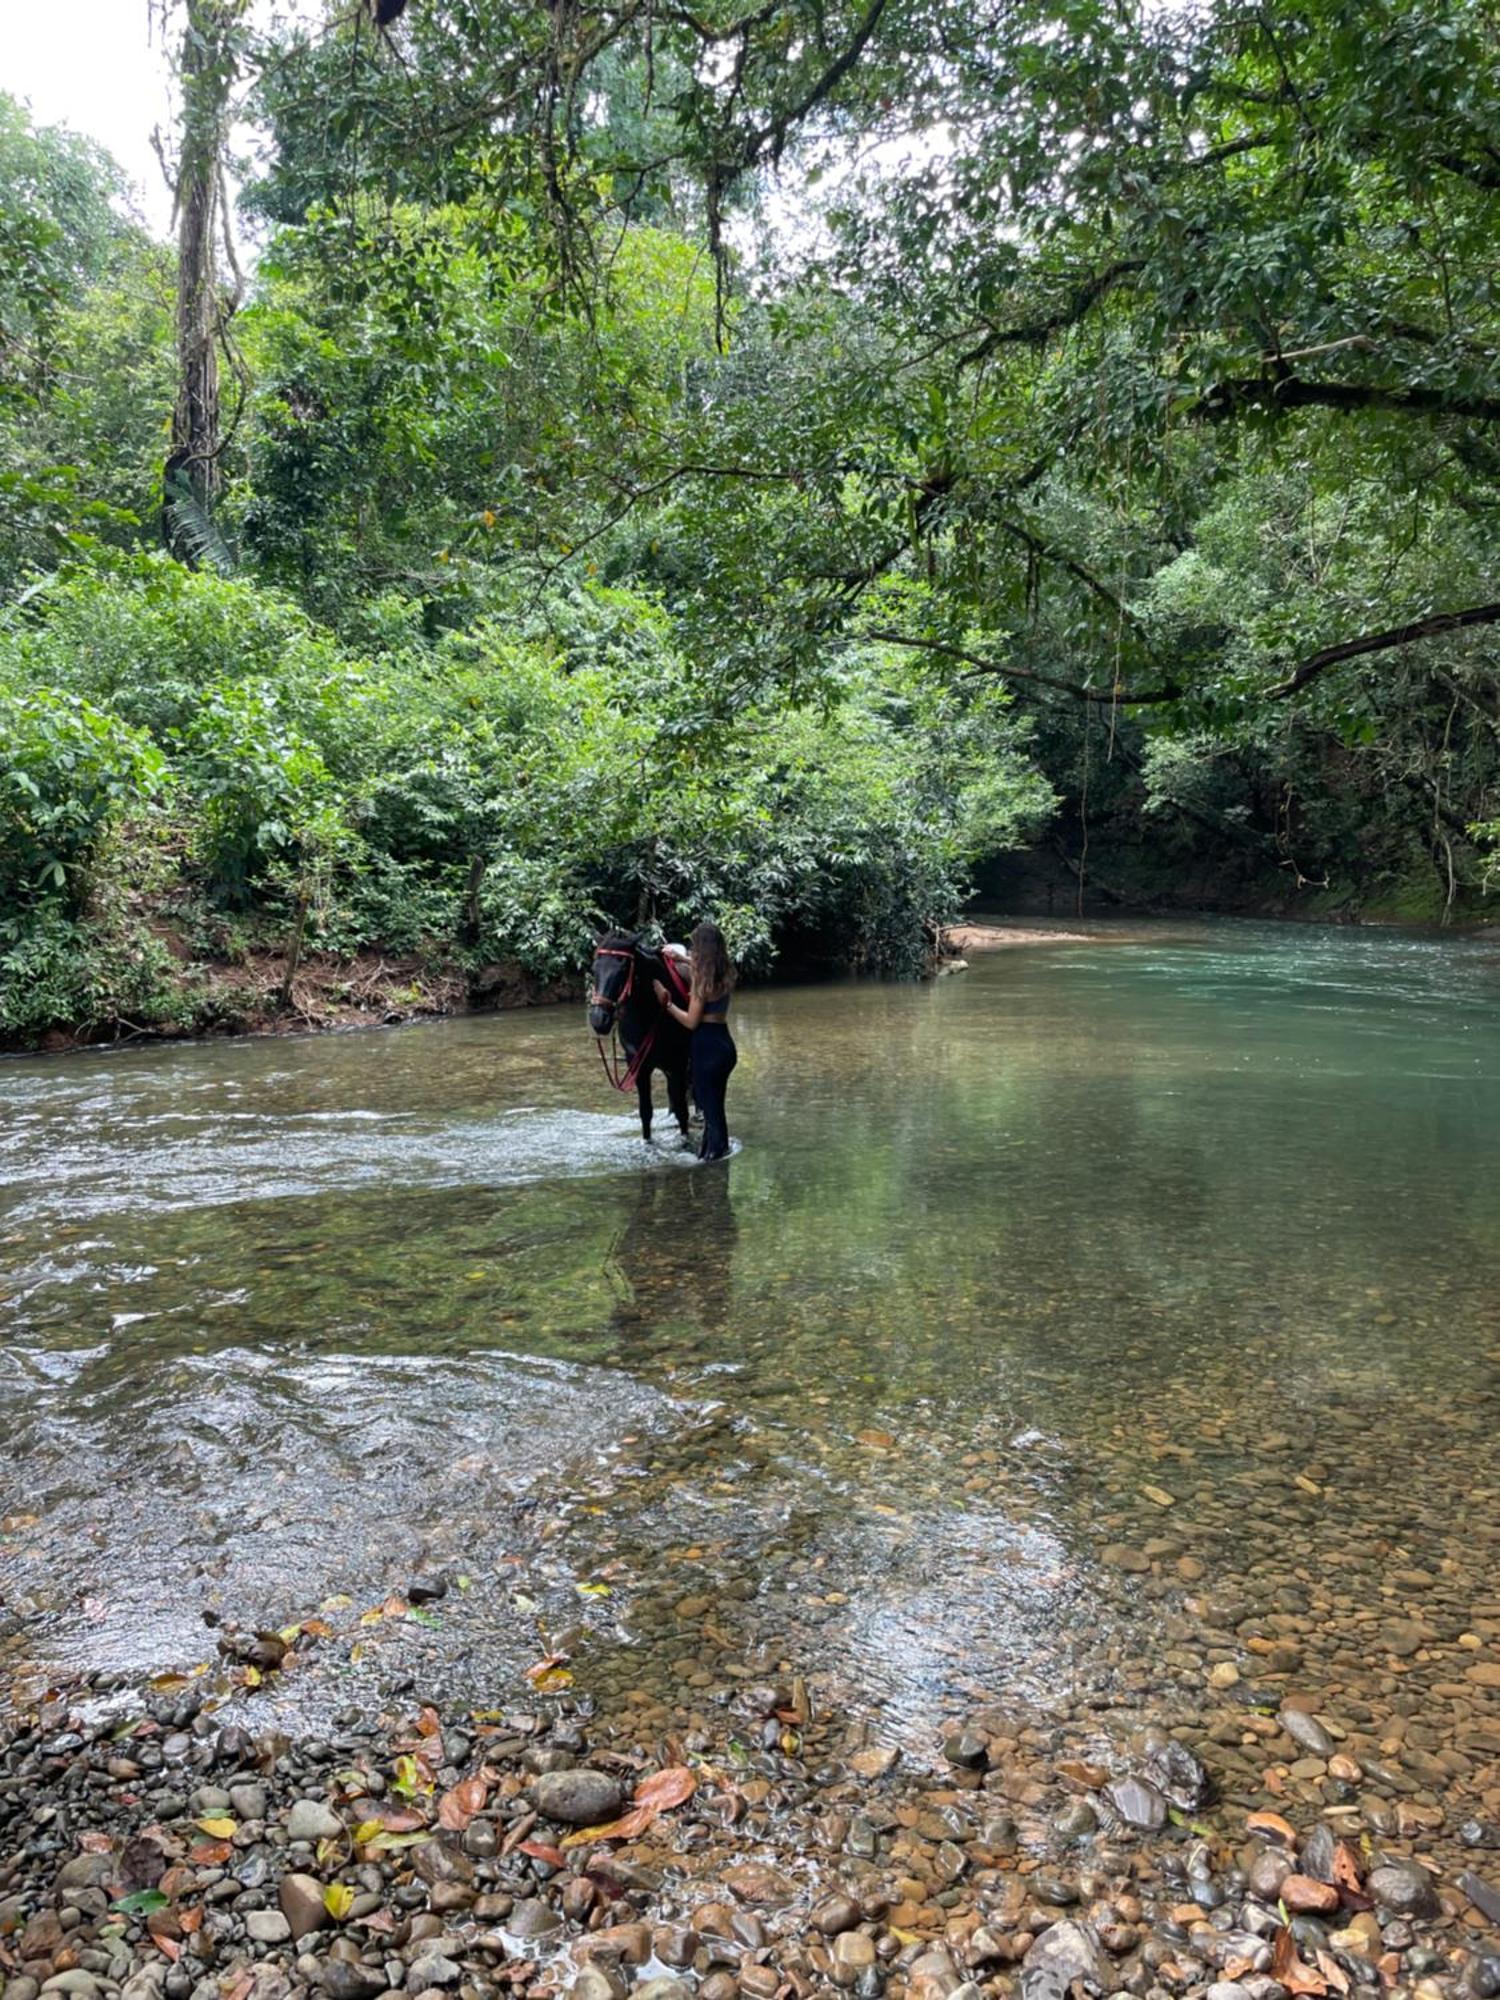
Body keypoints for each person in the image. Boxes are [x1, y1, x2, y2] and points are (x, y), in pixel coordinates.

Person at [654, 920, 737, 1161]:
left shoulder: (701, 981)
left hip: (706, 1046)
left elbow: (691, 1021)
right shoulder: (729, 971)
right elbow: (705, 967)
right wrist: (683, 960)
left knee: (711, 1112)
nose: (692, 950)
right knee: (717, 1106)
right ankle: (718, 1159)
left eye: (694, 946)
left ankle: (712, 1160)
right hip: (725, 1044)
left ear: (700, 947)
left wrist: (667, 1003)